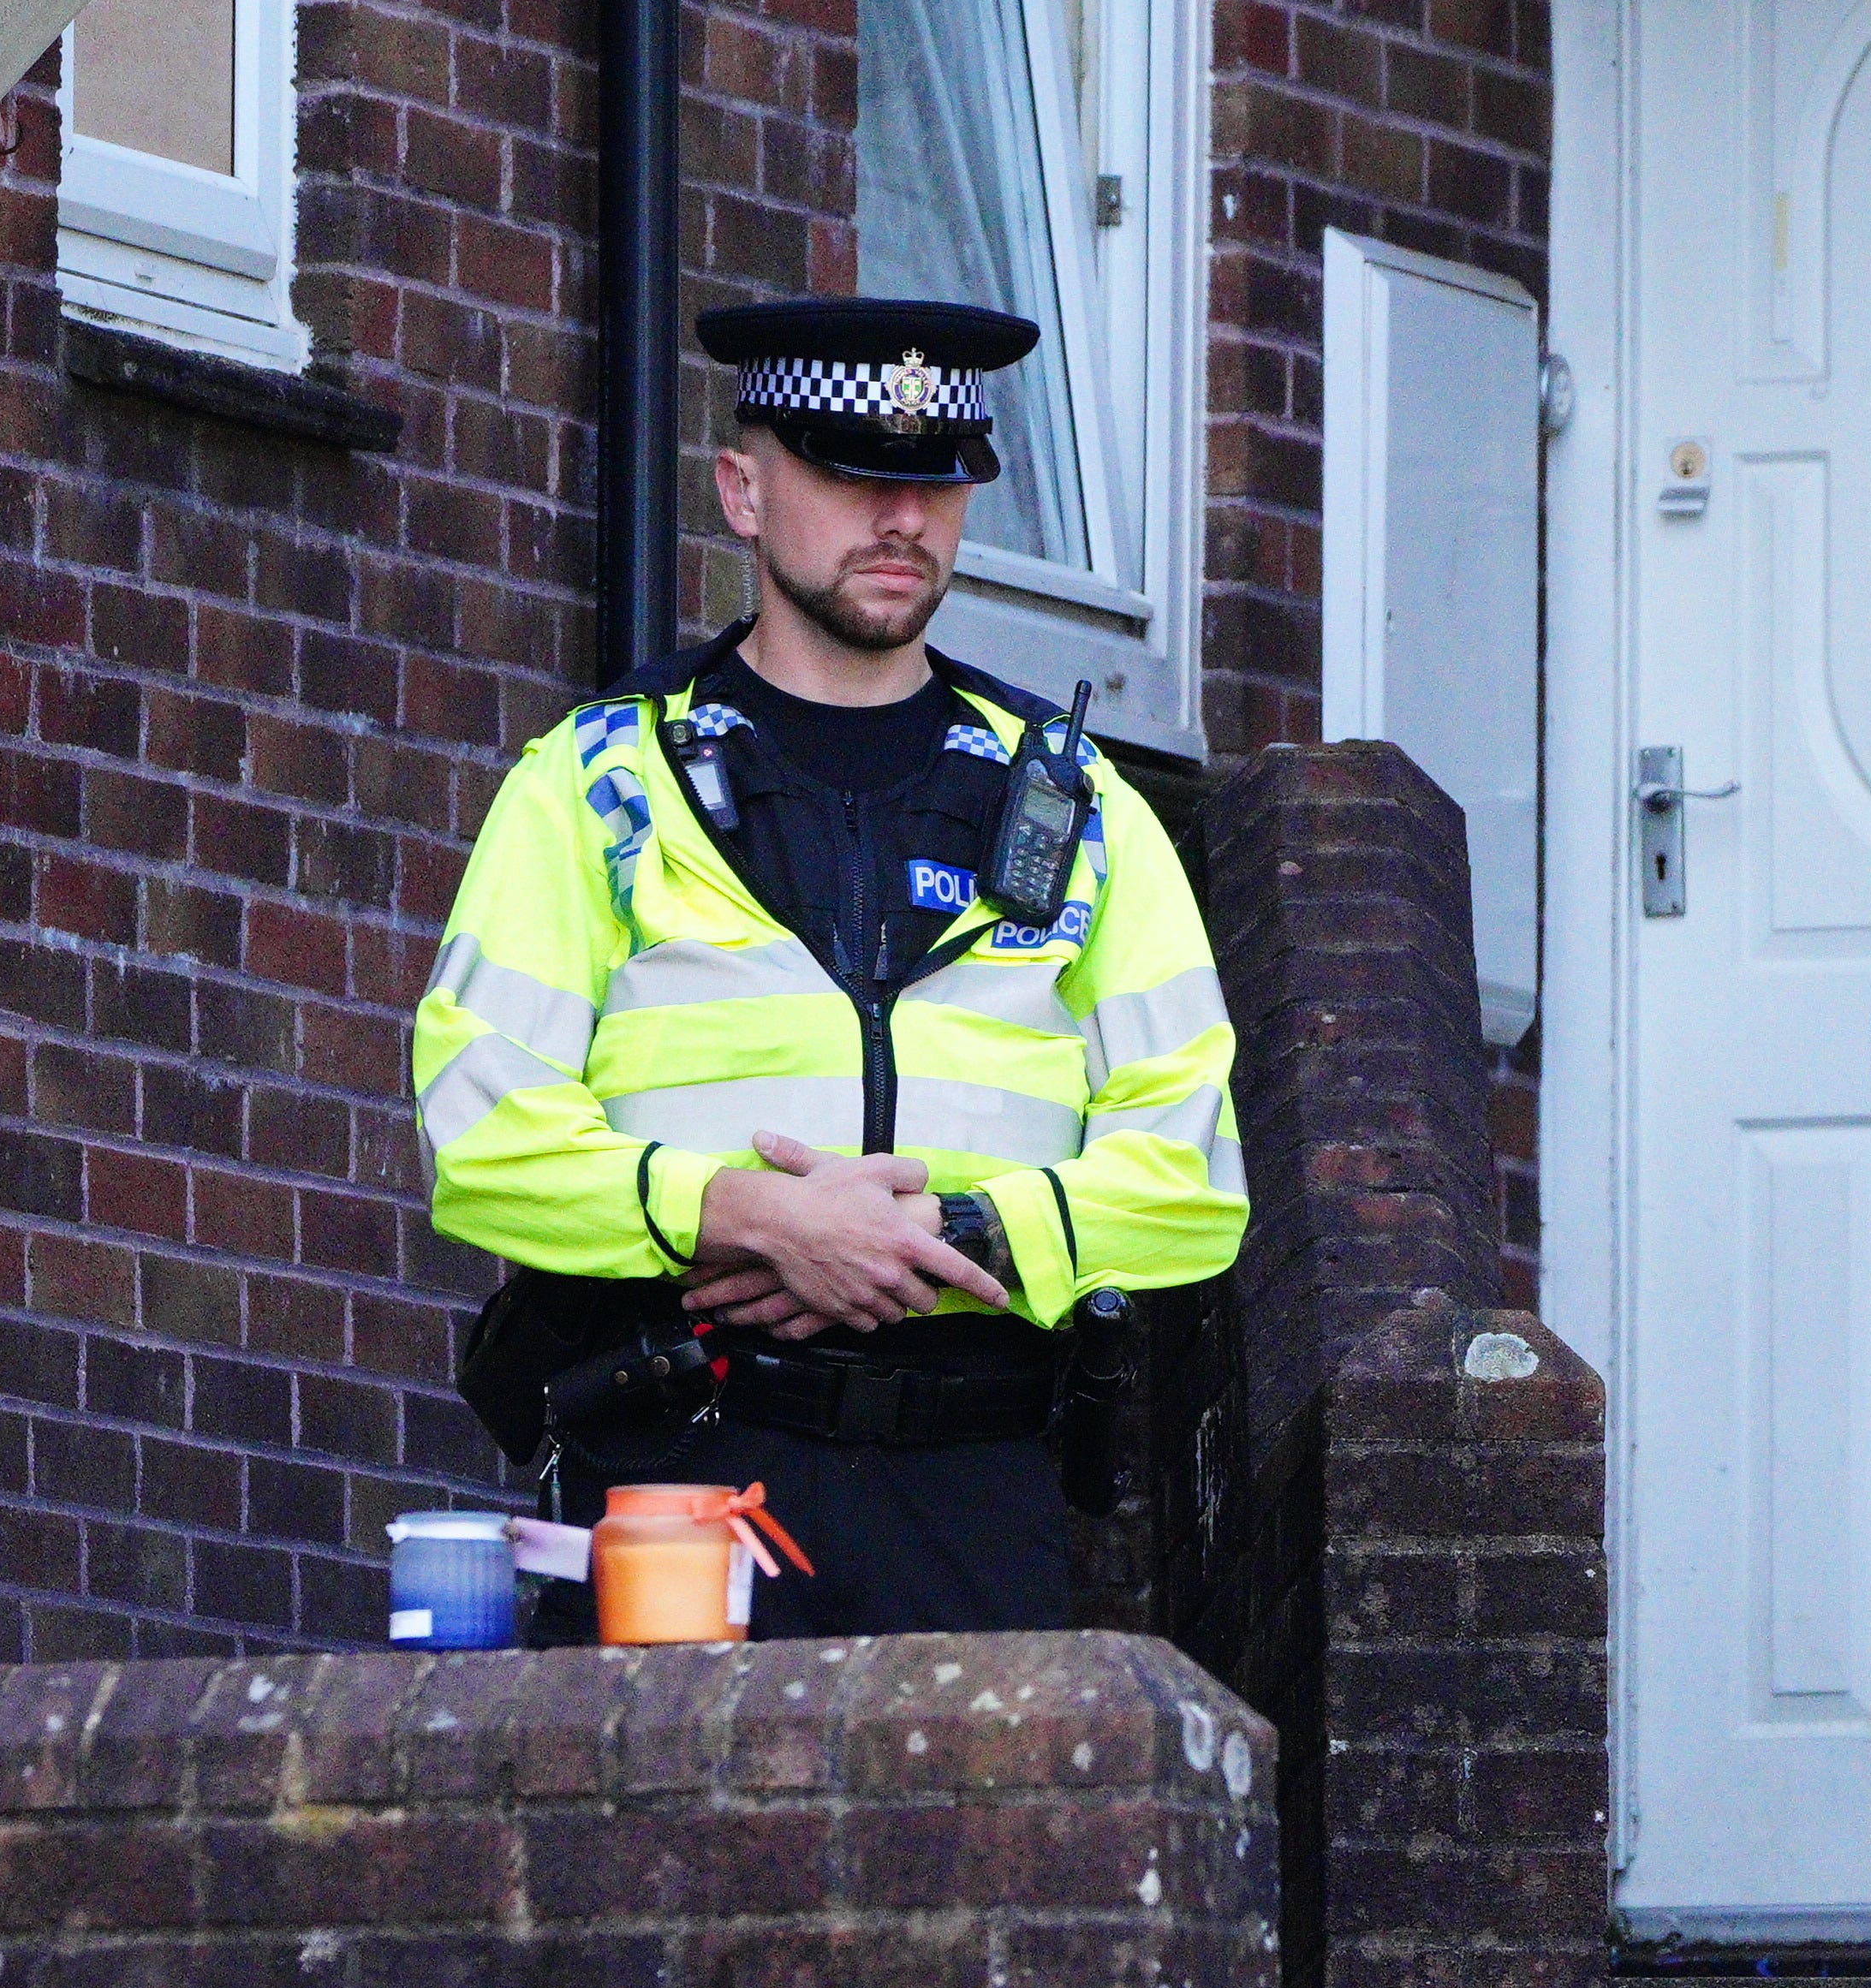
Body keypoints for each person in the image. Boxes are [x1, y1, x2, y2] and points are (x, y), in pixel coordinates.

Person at [408, 295, 1245, 1636]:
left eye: (937, 482)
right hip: (681, 1472)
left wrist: (943, 1238)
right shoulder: (600, 783)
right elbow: (479, 1130)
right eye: (853, 477)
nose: (901, 518)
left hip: (975, 1487)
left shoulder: (1077, 805)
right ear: (742, 490)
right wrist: (748, 1217)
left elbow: (1192, 1169)